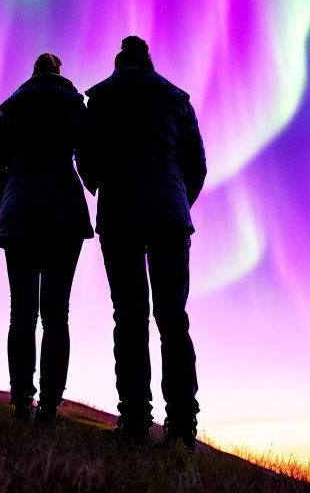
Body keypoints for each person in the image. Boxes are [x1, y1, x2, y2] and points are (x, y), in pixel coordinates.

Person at [77, 36, 206, 450]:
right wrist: (178, 201)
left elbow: (86, 157)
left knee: (129, 315)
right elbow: (197, 164)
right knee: (173, 319)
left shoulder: (99, 99)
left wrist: (102, 186)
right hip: (170, 217)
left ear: (118, 62)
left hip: (120, 215)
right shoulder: (176, 99)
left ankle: (134, 419)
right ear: (149, 61)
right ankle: (183, 425)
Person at [0, 53, 93, 428]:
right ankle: (48, 406)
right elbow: (90, 158)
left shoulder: (11, 109)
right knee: (56, 316)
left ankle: (20, 400)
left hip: (20, 220)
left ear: (32, 74)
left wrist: (10, 197)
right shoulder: (74, 106)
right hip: (64, 217)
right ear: (59, 74)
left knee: (23, 313)